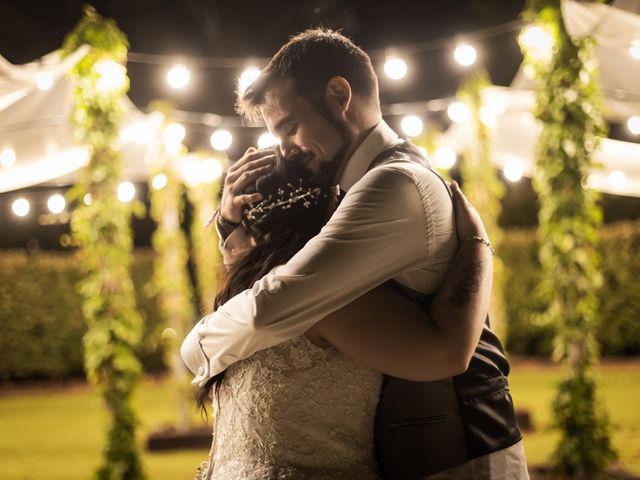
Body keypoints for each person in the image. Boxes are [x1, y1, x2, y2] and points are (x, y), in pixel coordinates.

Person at [182, 28, 527, 479]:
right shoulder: (357, 187)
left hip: (462, 453)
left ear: (339, 94)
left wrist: (200, 345)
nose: (284, 147)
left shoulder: (395, 184)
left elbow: (277, 304)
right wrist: (231, 228)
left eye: (290, 126)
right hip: (420, 451)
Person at [192, 157, 493, 480]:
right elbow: (448, 352)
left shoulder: (243, 292)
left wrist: (229, 224)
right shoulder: (329, 300)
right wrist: (478, 245)